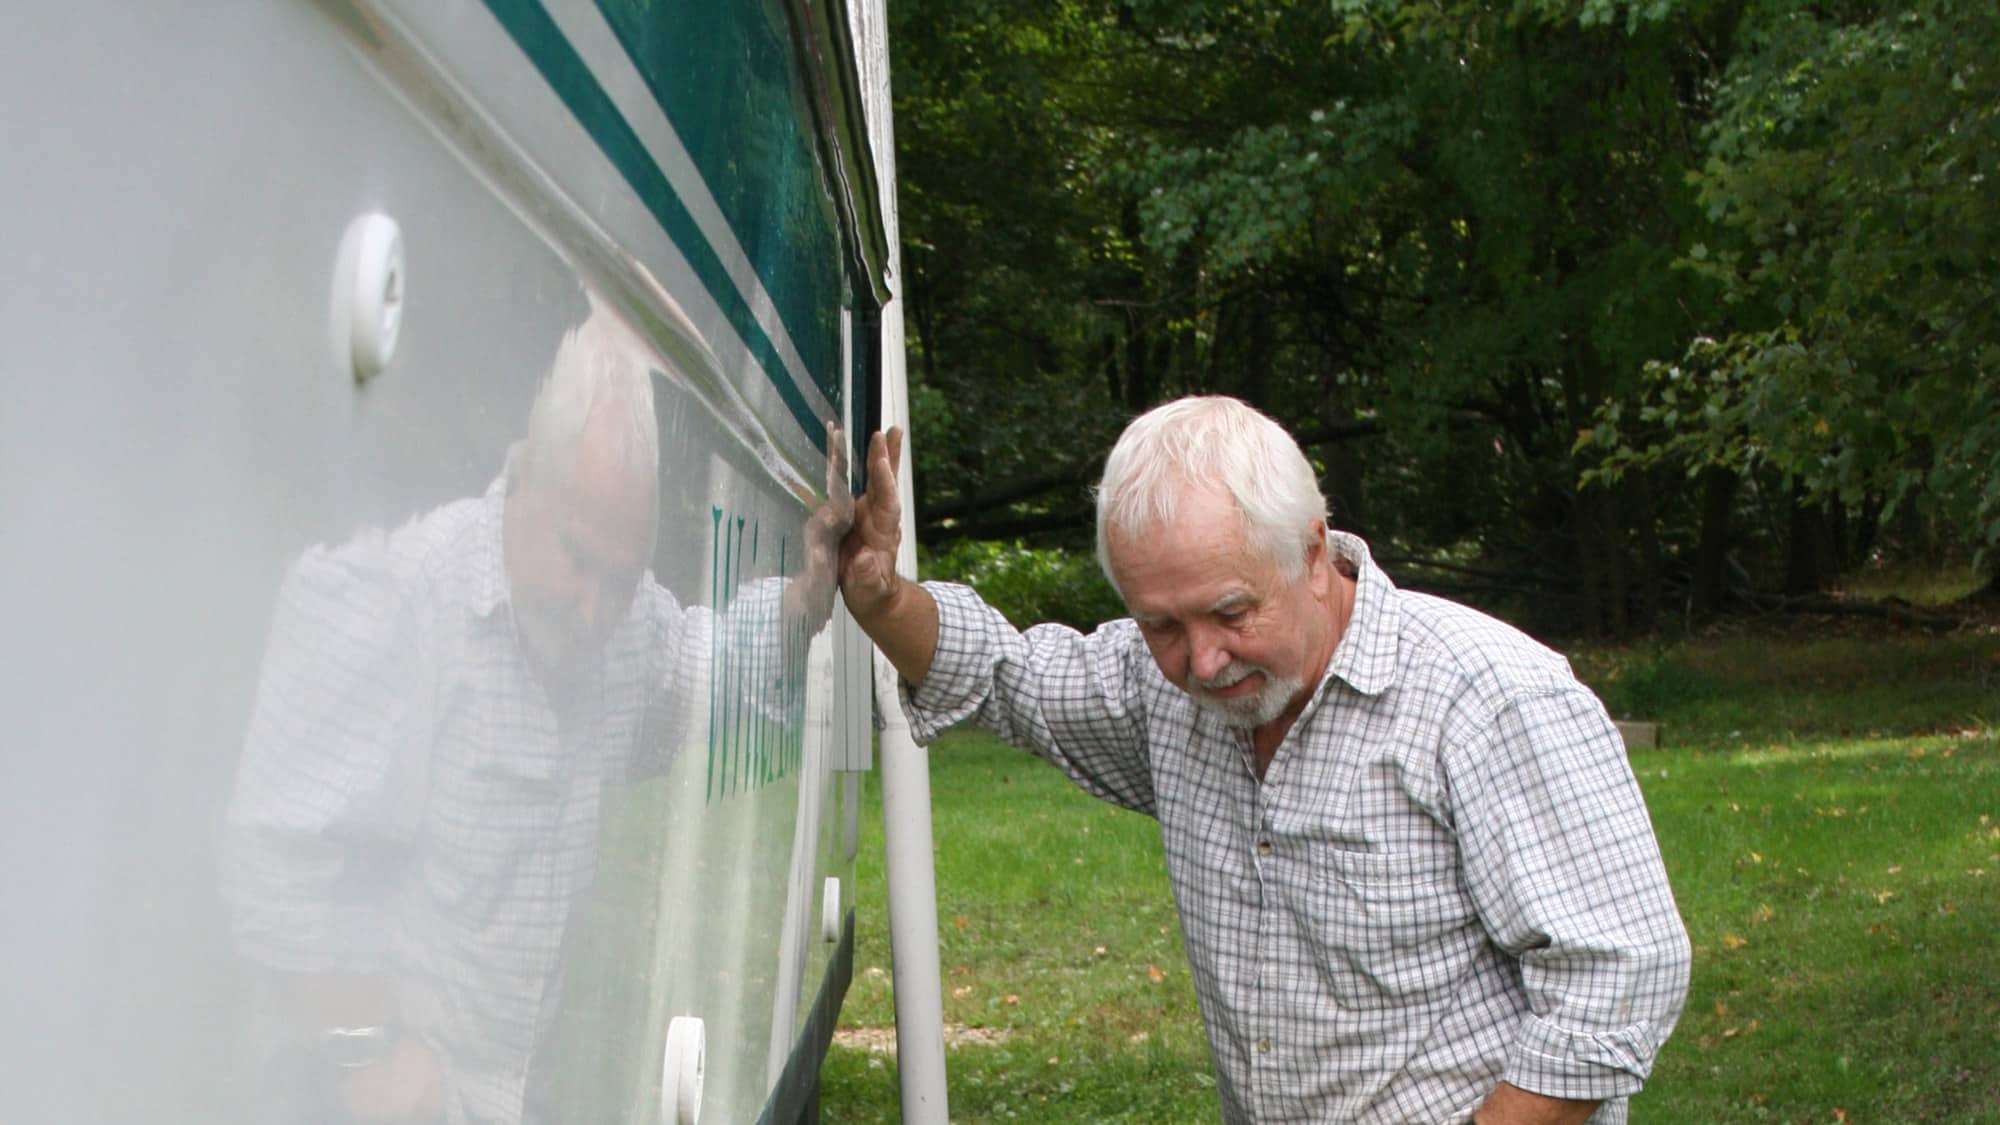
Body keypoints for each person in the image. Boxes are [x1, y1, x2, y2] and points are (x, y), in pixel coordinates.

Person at [838, 397, 1691, 1125]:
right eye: (1162, 625)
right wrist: (879, 597)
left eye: (1229, 612)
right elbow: (1008, 674)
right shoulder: (1161, 689)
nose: (1202, 662)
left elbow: (1620, 973)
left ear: (1314, 554)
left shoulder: (1489, 696)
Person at [221, 296, 844, 1124]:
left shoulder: (622, 628)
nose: (594, 609)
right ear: (522, 485)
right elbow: (274, 865)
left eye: (622, 580)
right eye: (579, 562)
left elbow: (706, 665)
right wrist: (365, 1047)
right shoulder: (391, 593)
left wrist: (809, 597)